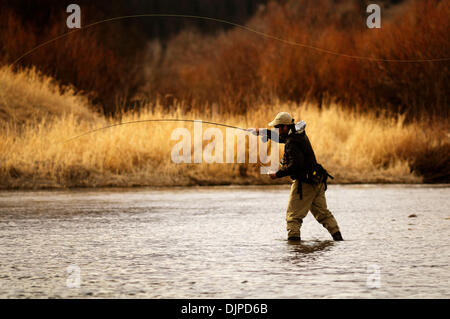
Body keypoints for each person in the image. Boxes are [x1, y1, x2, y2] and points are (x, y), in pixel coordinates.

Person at [252, 112, 343, 242]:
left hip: (304, 183)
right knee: (324, 215)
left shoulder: (292, 142)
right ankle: (339, 241)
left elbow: (295, 166)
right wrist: (263, 132)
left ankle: (294, 250)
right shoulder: (297, 134)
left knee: (293, 217)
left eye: (277, 127)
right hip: (316, 180)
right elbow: (283, 139)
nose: (276, 130)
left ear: (285, 127)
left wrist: (277, 174)